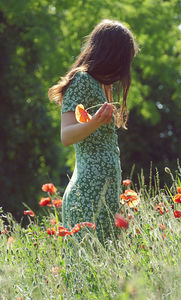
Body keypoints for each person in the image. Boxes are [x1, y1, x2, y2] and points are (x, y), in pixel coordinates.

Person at [48, 19, 139, 244]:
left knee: (104, 267)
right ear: (111, 54)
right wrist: (96, 122)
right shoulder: (81, 80)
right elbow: (66, 135)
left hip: (102, 191)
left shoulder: (98, 84)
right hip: (88, 193)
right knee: (86, 268)